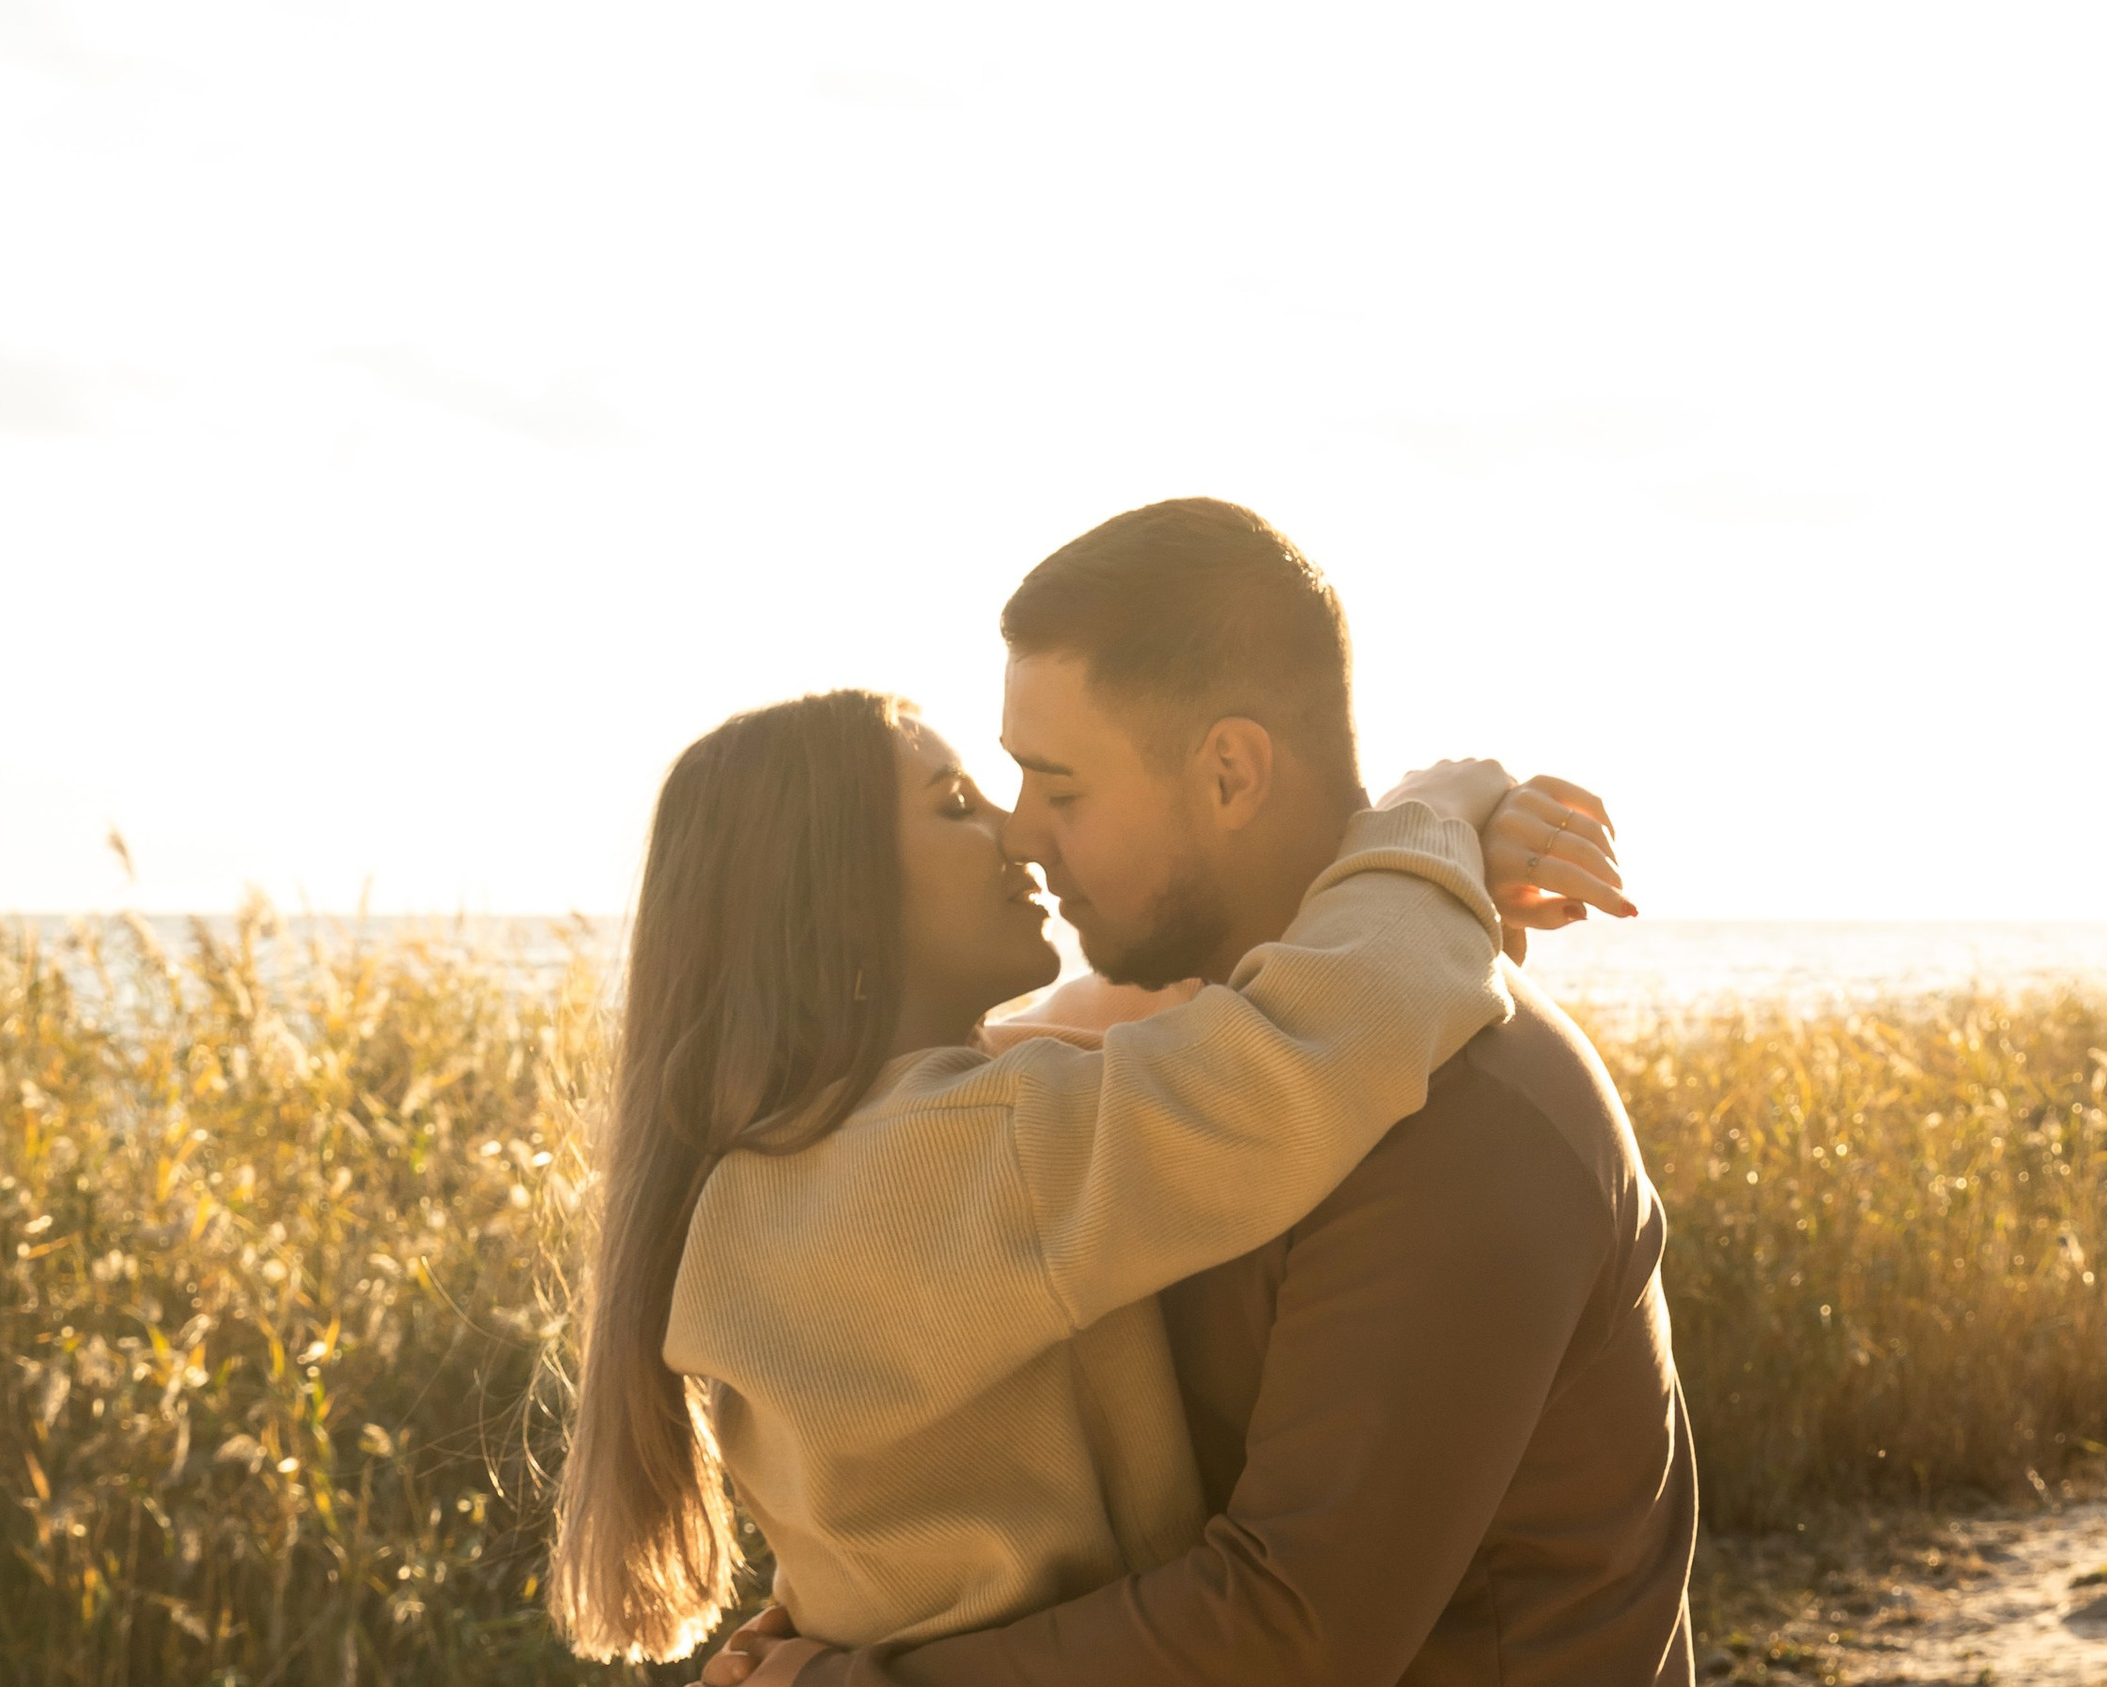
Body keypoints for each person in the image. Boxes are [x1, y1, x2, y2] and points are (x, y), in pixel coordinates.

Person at [709, 499, 1694, 1687]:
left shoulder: (1461, 1115)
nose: (1023, 836)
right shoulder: (1195, 1065)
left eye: (1059, 787)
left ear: (1229, 772)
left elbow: (1289, 1631)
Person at [549, 683, 1620, 1663]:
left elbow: (1160, 1024)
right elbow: (1318, 1039)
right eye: (957, 805)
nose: (1016, 830)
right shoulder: (954, 1157)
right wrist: (1439, 803)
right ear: (831, 893)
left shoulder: (784, 1177)